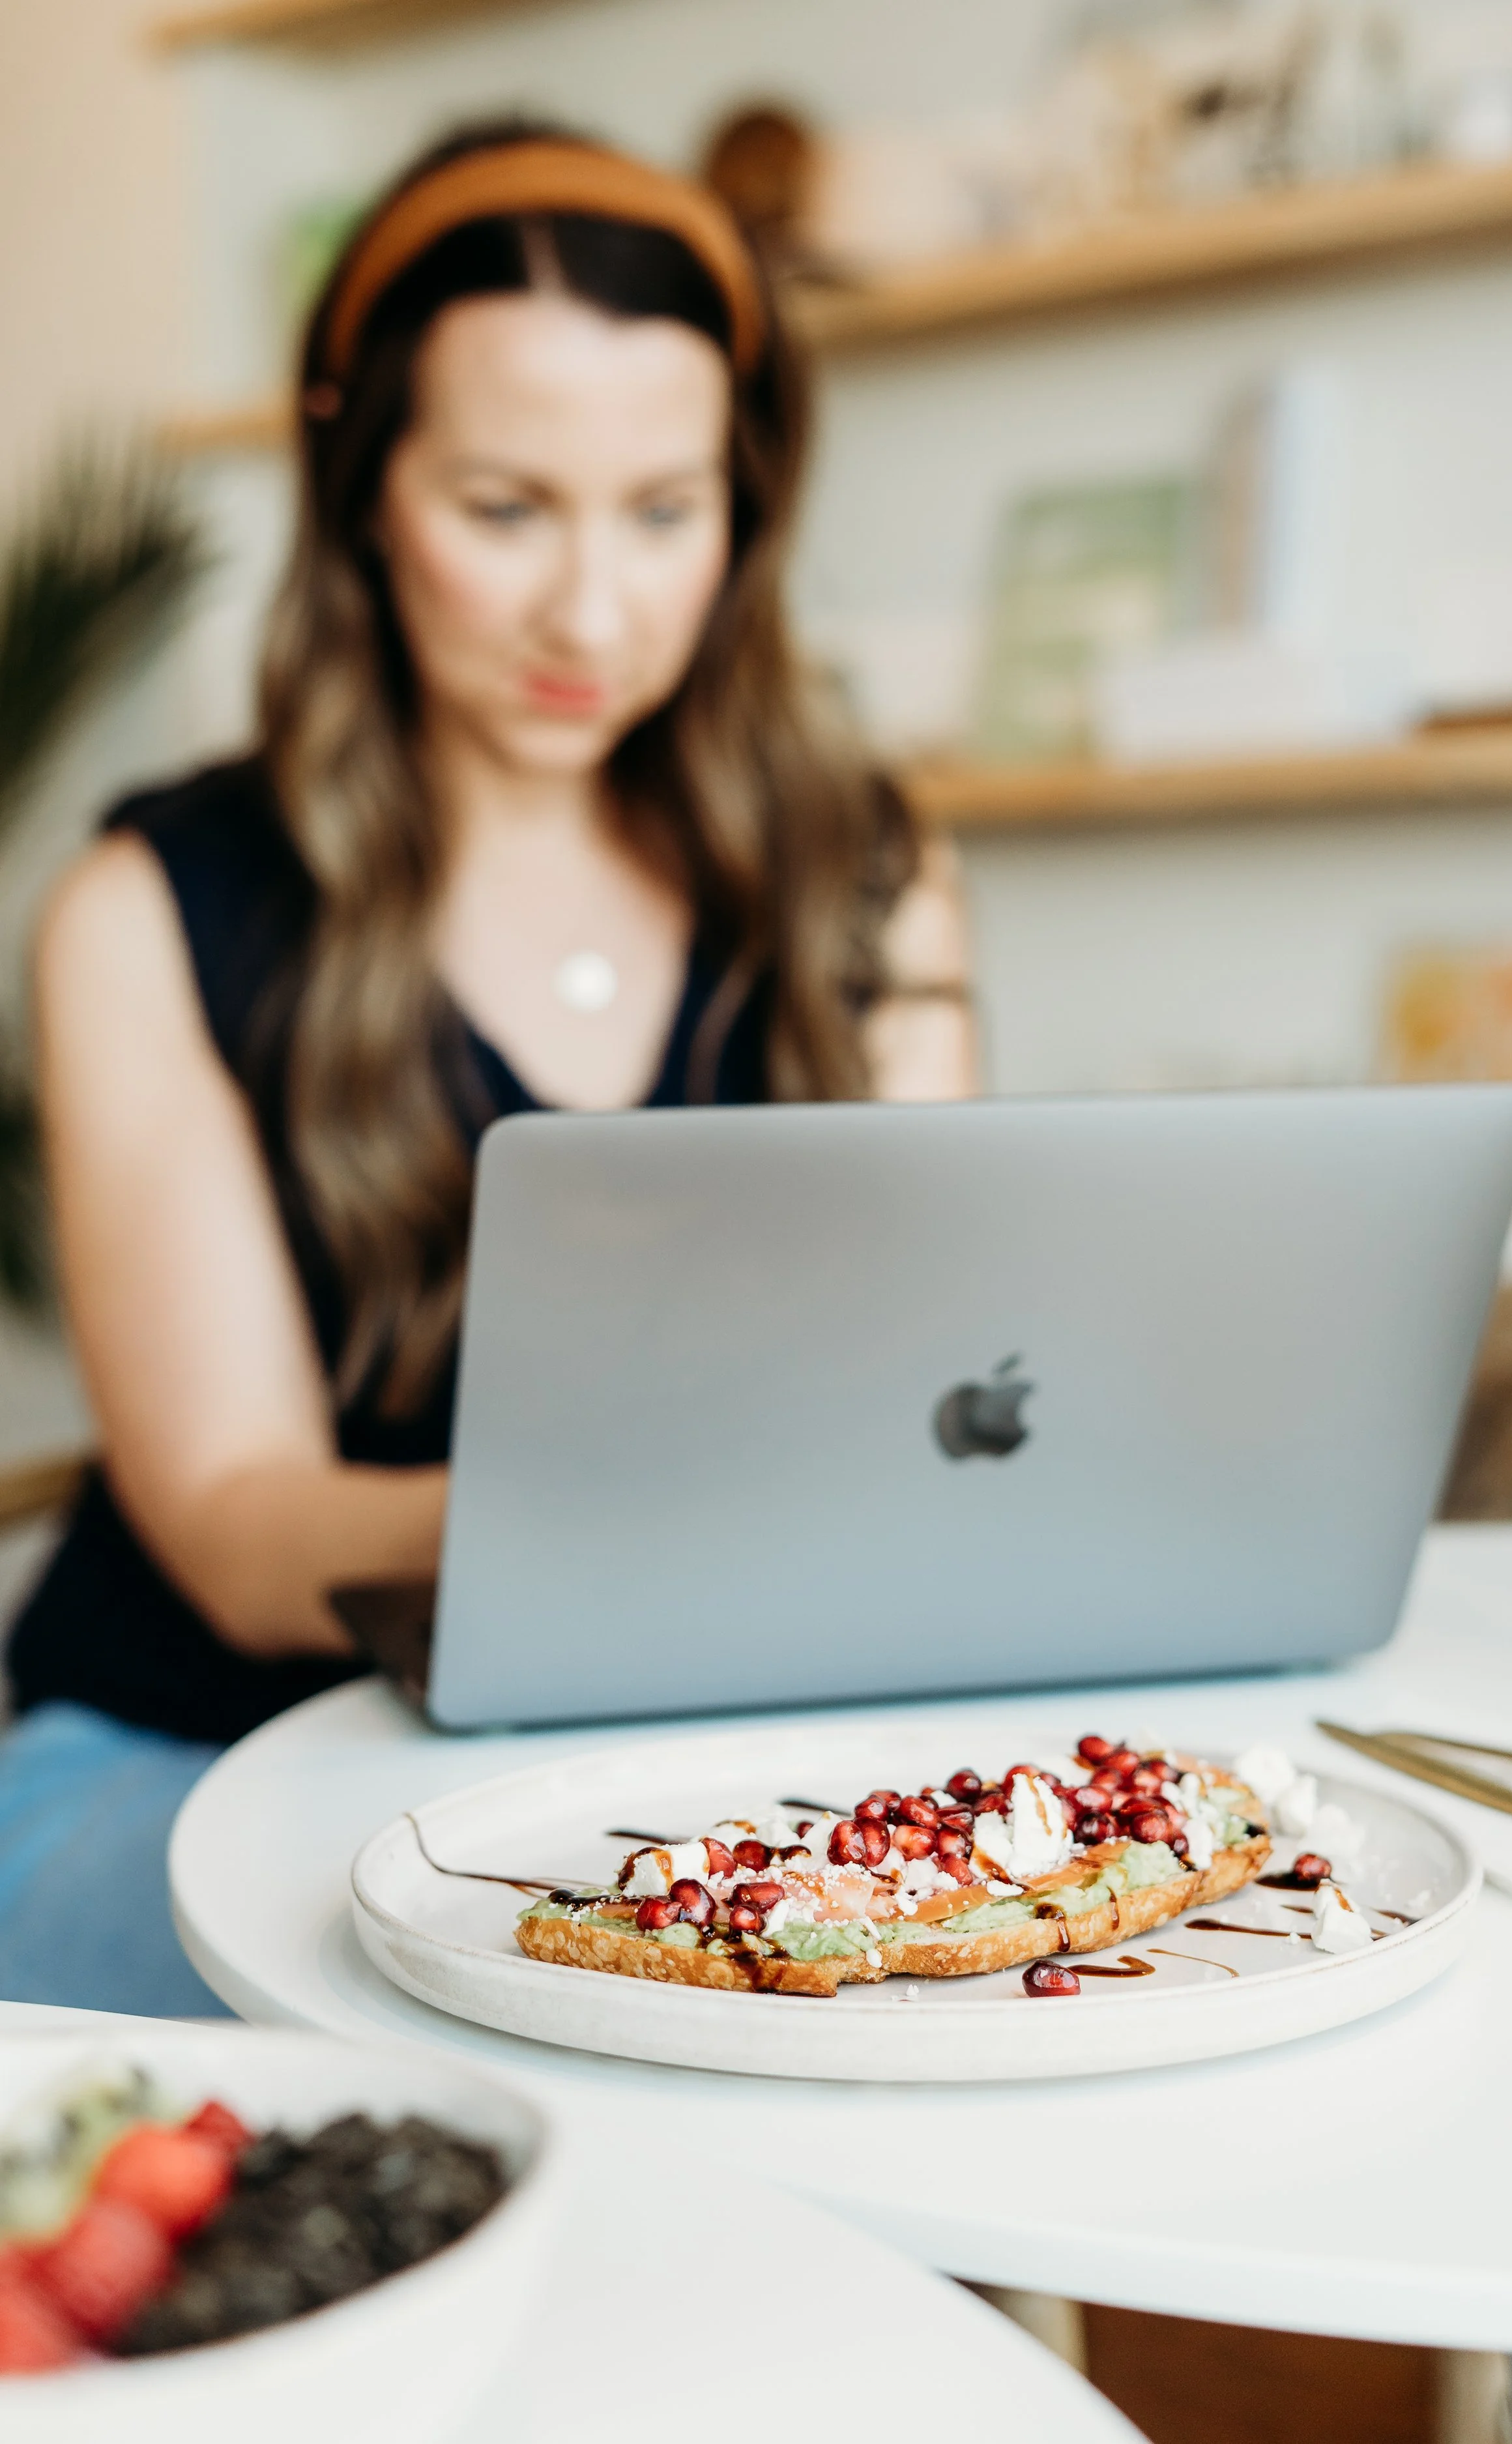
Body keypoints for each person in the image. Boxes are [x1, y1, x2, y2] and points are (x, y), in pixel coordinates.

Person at [0, 123, 975, 2015]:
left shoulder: (866, 873)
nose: (591, 613)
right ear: (364, 487)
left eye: (665, 512)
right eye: (505, 508)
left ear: (744, 509)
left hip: (692, 1780)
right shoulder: (151, 900)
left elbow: (923, 1385)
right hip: (200, 1762)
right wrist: (660, 1514)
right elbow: (237, 1526)